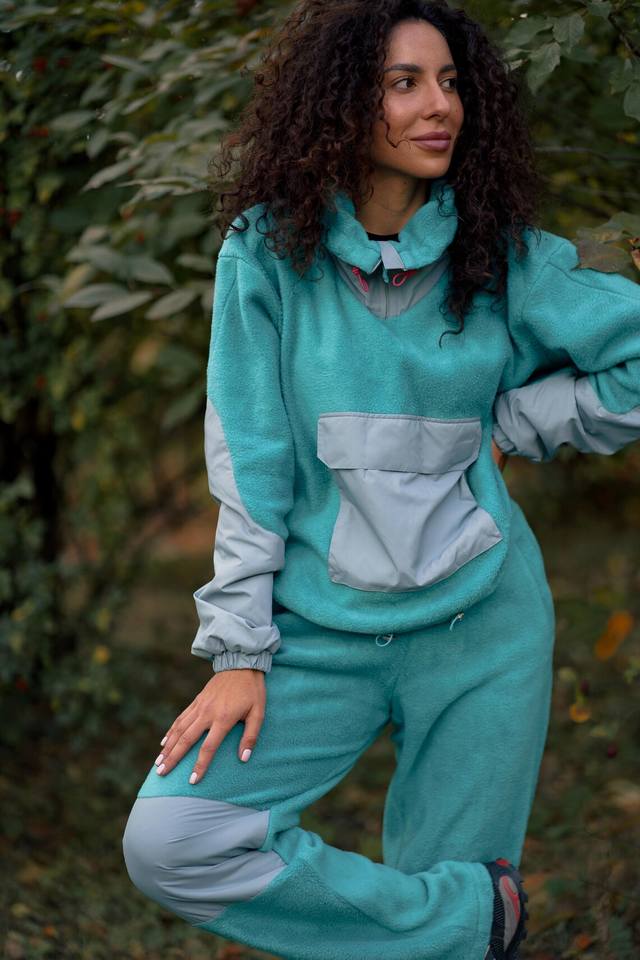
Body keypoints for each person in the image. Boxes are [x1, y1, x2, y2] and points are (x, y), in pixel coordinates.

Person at [121, 2, 640, 958]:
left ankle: (462, 922)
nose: (439, 106)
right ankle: (476, 918)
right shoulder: (266, 253)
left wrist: (513, 421)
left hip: (483, 626)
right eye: (404, 83)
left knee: (447, 890)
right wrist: (238, 651)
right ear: (339, 105)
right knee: (174, 842)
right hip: (318, 628)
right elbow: (250, 460)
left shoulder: (502, 256)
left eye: (450, 82)